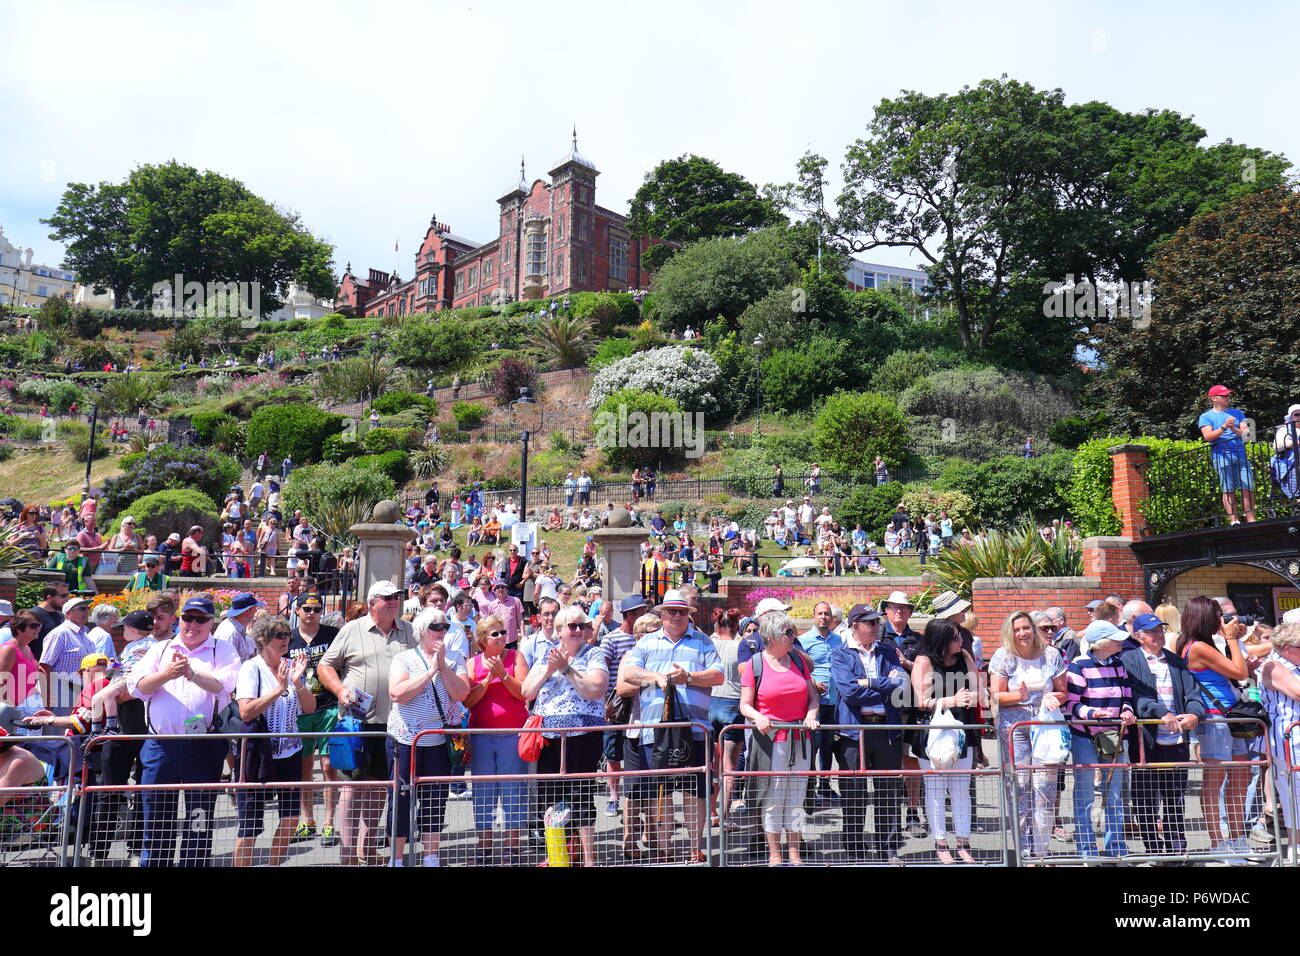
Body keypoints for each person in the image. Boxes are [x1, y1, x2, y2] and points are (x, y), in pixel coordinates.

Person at [126, 594, 240, 866]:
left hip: (203, 746)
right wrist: (167, 674)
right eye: (189, 618)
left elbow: (223, 686)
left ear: (211, 622)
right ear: (180, 619)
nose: (193, 624)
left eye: (201, 619)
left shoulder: (222, 650)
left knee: (199, 819)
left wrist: (191, 674)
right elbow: (136, 687)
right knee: (156, 819)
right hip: (161, 745)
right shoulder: (160, 649)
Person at [317, 580, 418, 865]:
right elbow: (325, 665)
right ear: (373, 601)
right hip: (356, 723)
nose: (394, 602)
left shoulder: (408, 630)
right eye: (387, 598)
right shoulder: (352, 629)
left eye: (397, 597)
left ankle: (368, 847)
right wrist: (339, 690)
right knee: (351, 789)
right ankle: (348, 854)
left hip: (395, 724)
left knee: (377, 788)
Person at [618, 589, 723, 863]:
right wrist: (656, 677)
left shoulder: (703, 642)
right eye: (671, 611)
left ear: (689, 614)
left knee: (694, 791)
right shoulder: (647, 642)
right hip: (655, 729)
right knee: (658, 792)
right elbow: (628, 672)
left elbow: (718, 675)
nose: (677, 616)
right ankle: (662, 848)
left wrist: (688, 677)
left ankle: (694, 847)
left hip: (694, 728)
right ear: (661, 614)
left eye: (682, 612)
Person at [521, 604, 609, 866]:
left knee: (581, 795)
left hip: (582, 736)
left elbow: (596, 689)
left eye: (582, 625)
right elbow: (527, 691)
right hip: (548, 737)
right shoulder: (546, 656)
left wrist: (568, 670)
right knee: (550, 797)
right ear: (559, 630)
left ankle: (588, 858)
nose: (578, 630)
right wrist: (550, 669)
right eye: (572, 626)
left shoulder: (593, 655)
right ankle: (556, 855)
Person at [387, 607, 469, 867]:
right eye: (436, 626)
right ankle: (397, 858)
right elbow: (398, 693)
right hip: (405, 741)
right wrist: (429, 672)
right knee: (400, 799)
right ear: (422, 631)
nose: (441, 631)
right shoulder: (404, 659)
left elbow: (461, 694)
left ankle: (431, 855)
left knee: (435, 800)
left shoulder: (455, 658)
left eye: (445, 626)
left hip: (438, 742)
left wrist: (443, 667)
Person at [232, 615, 315, 867]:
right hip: (258, 754)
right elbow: (246, 711)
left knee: (290, 819)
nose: (285, 640)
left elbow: (310, 708)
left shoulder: (291, 666)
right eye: (279, 636)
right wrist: (277, 690)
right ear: (262, 640)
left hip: (289, 752)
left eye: (287, 635)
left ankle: (273, 865)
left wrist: (298, 683)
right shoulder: (251, 668)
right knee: (250, 826)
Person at [1120, 613, 1205, 859]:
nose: (1158, 635)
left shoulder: (1175, 661)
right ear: (1138, 636)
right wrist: (1161, 712)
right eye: (1151, 631)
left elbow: (1192, 693)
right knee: (1145, 797)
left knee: (1175, 796)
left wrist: (1194, 714)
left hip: (1176, 739)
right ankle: (1153, 848)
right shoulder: (1129, 660)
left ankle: (1177, 847)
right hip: (1145, 739)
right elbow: (1136, 697)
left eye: (1160, 630)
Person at [739, 610, 820, 866]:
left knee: (796, 798)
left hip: (800, 738)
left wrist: (811, 714)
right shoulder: (755, 664)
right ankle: (775, 853)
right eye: (788, 633)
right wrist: (758, 717)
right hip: (771, 740)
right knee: (773, 798)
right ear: (772, 637)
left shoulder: (798, 660)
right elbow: (744, 705)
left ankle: (794, 851)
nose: (793, 637)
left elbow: (813, 696)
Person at [1175, 598, 1253, 860]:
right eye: (1218, 615)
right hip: (1214, 717)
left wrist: (1236, 642)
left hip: (1231, 715)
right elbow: (1240, 673)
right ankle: (1217, 842)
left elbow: (1234, 671)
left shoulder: (1204, 644)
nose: (1223, 620)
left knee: (1240, 777)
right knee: (1215, 781)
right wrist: (1231, 639)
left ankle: (1237, 837)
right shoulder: (1196, 647)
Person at [988, 610, 1069, 863]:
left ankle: (1041, 853)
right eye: (1017, 629)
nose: (1023, 633)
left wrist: (1051, 697)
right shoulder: (1003, 657)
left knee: (1044, 789)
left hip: (1045, 726)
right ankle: (1024, 851)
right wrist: (1018, 697)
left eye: (1026, 627)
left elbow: (1063, 691)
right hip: (1015, 727)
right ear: (1010, 633)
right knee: (1020, 788)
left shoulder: (1051, 655)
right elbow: (995, 695)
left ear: (1033, 628)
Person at [829, 603, 907, 862]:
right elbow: (850, 693)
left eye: (877, 622)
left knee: (888, 792)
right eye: (871, 623)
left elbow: (900, 687)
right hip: (855, 730)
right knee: (854, 793)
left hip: (886, 728)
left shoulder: (887, 650)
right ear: (855, 625)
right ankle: (855, 850)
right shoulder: (841, 654)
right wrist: (885, 685)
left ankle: (888, 849)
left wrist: (872, 682)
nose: (877, 627)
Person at [1065, 619, 1137, 859]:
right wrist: (1092, 714)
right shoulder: (1079, 665)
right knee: (1085, 793)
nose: (1121, 643)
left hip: (1114, 735)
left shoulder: (1119, 664)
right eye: (1116, 640)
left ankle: (1116, 847)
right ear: (1104, 643)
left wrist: (1127, 711)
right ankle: (1086, 849)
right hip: (1085, 736)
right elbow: (1071, 704)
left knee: (1115, 794)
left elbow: (1127, 695)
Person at [910, 618, 979, 864]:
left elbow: (980, 688)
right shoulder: (924, 661)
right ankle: (940, 842)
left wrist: (974, 696)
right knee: (936, 791)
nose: (961, 640)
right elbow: (920, 700)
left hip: (963, 730)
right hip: (934, 733)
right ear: (941, 640)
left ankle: (963, 842)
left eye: (960, 636)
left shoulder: (965, 657)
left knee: (962, 790)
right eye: (955, 637)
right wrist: (950, 701)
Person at [462, 614, 529, 864]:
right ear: (482, 641)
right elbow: (468, 701)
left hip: (512, 735)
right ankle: (484, 846)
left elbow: (523, 694)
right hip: (481, 736)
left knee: (512, 792)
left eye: (503, 632)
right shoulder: (473, 663)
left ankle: (512, 848)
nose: (502, 637)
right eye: (495, 634)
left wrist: (503, 674)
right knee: (483, 793)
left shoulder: (515, 657)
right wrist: (488, 680)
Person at [288, 594, 341, 847]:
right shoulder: (288, 637)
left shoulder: (333, 634)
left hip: (328, 706)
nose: (311, 613)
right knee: (304, 767)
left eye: (316, 609)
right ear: (297, 611)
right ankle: (306, 820)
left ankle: (329, 822)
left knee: (329, 765)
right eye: (307, 609)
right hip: (300, 710)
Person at [1258, 623, 1300, 854]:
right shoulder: (1274, 666)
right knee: (1294, 792)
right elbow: (1297, 692)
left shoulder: (1295, 664)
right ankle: (1296, 846)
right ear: (1286, 648)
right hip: (1288, 739)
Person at [798, 602, 843, 808]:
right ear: (813, 616)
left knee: (828, 746)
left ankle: (824, 786)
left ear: (832, 618)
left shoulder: (839, 640)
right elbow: (799, 669)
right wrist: (813, 682)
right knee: (812, 745)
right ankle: (809, 790)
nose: (823, 617)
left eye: (827, 614)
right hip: (813, 701)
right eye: (820, 613)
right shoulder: (804, 640)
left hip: (834, 701)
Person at [1198, 384, 1256, 524]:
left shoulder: (1238, 413)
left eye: (1228, 395)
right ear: (1213, 398)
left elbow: (1247, 435)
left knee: (1247, 488)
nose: (1227, 397)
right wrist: (1224, 427)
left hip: (1240, 455)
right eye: (1224, 395)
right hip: (1221, 456)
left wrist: (1233, 428)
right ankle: (1234, 520)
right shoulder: (1206, 416)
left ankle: (1251, 520)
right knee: (1228, 489)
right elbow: (1208, 437)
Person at [37, 597, 95, 715]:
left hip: (81, 691)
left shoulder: (84, 634)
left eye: (88, 608)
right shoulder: (60, 633)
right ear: (68, 613)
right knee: (57, 731)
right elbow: (44, 666)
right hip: (61, 691)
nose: (86, 611)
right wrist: (47, 697)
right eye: (82, 608)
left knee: (73, 731)